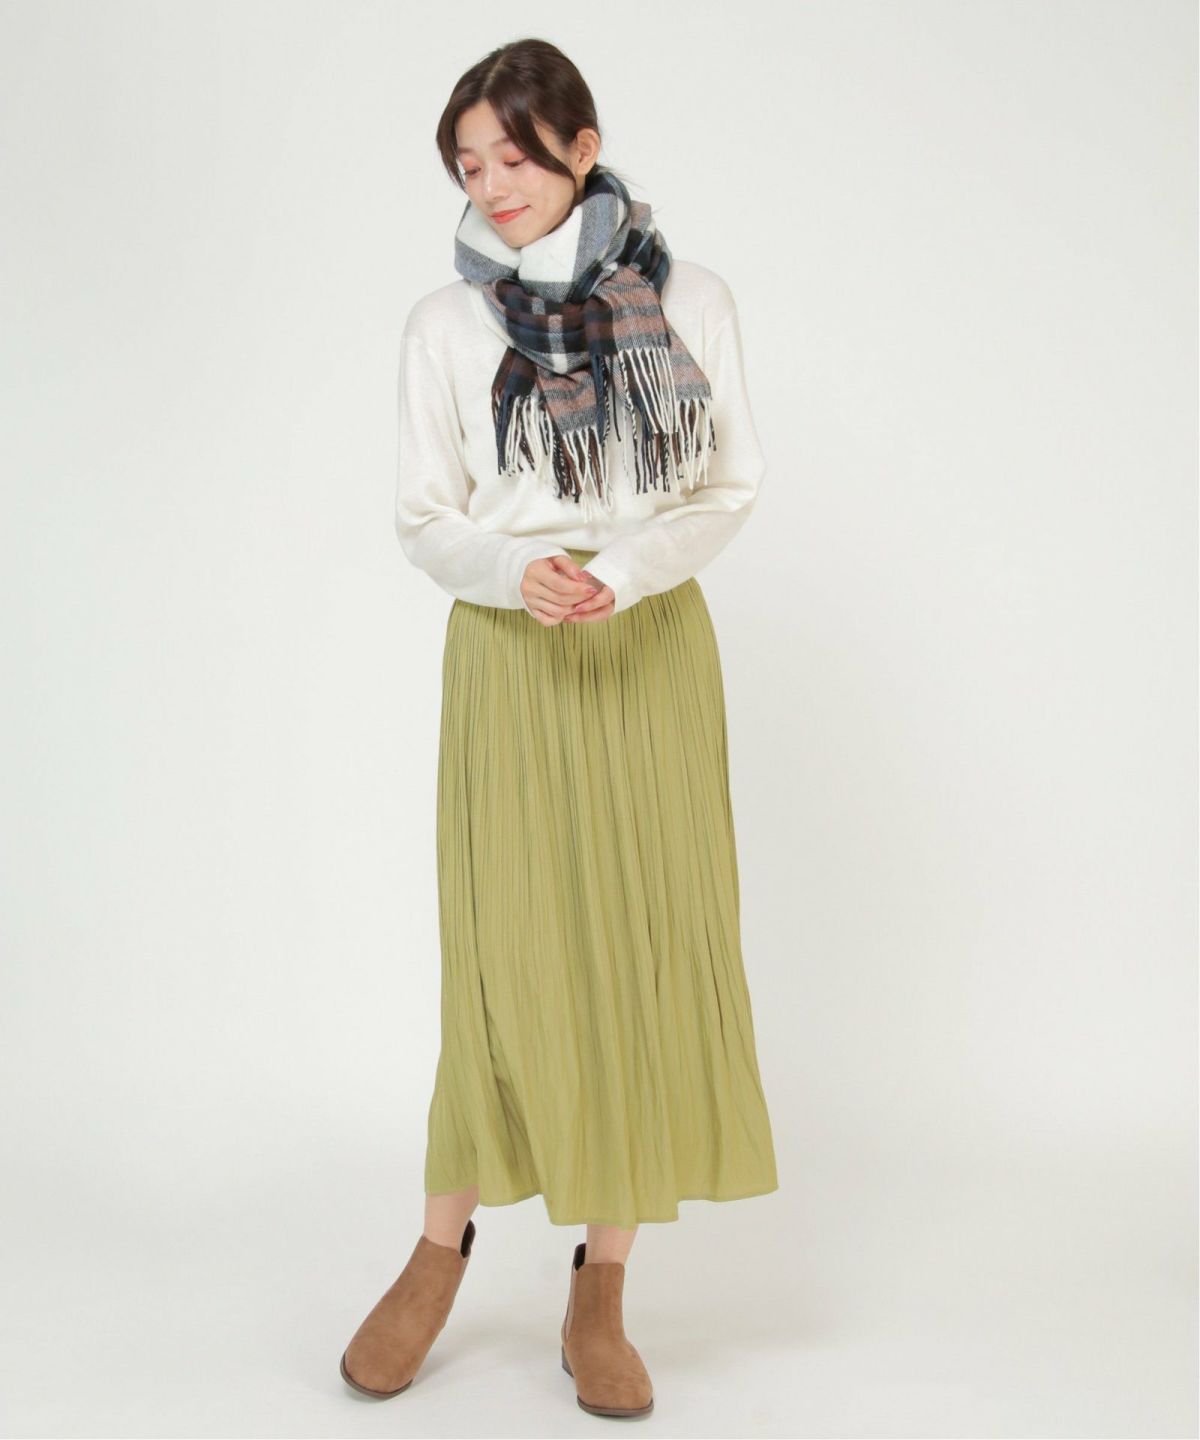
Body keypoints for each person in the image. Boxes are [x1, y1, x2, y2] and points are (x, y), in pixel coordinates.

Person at [339, 37, 779, 1420]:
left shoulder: (689, 299)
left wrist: (625, 572)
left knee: (634, 951)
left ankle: (602, 1286)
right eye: (468, 165)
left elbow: (728, 485)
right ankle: (439, 1250)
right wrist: (514, 570)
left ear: (582, 149)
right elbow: (426, 516)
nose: (492, 185)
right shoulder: (444, 325)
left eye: (515, 157)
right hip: (511, 652)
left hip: (645, 650)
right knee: (501, 956)